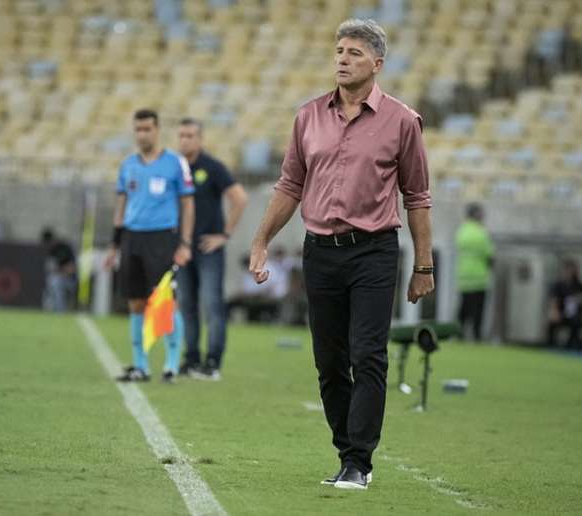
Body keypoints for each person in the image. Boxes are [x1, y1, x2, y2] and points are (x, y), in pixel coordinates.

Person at [249, 19, 434, 490]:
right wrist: (261, 239)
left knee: (368, 355)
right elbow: (291, 184)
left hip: (374, 251)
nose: (342, 60)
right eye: (338, 51)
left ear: (377, 64)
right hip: (320, 253)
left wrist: (423, 265)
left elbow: (417, 197)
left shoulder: (403, 121)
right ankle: (346, 450)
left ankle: (359, 461)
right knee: (329, 362)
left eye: (353, 53)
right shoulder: (307, 116)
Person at [104, 109, 195, 383]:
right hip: (132, 238)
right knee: (135, 303)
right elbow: (121, 207)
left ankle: (170, 364)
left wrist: (185, 243)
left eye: (147, 128)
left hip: (162, 238)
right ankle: (140, 365)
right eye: (138, 129)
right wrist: (114, 245)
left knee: (164, 301)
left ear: (157, 130)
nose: (142, 134)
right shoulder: (128, 165)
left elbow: (187, 204)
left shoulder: (175, 164)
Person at [175, 118, 248, 380]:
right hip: (182, 249)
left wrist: (224, 235)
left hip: (208, 249)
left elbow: (239, 199)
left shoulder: (213, 167)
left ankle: (213, 362)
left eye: (191, 135)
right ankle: (191, 359)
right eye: (181, 135)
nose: (185, 140)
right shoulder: (173, 168)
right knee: (186, 305)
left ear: (200, 139)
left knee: (211, 303)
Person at [455, 203, 494, 341]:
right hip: (479, 278)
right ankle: (476, 337)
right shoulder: (482, 232)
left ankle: (458, 335)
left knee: (464, 309)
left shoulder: (462, 231)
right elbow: (490, 256)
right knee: (478, 311)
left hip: (464, 278)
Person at [546, 258, 582, 350]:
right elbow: (554, 299)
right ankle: (551, 345)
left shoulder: (581, 286)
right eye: (569, 270)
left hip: (575, 315)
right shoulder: (559, 285)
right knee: (552, 323)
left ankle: (571, 345)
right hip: (562, 313)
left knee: (576, 324)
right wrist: (555, 311)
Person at [41, 227, 77, 312]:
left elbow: (72, 269)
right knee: (52, 280)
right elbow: (50, 269)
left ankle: (60, 310)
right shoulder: (51, 251)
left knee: (55, 281)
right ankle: (49, 308)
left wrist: (60, 271)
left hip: (70, 282)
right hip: (56, 280)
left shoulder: (65, 248)